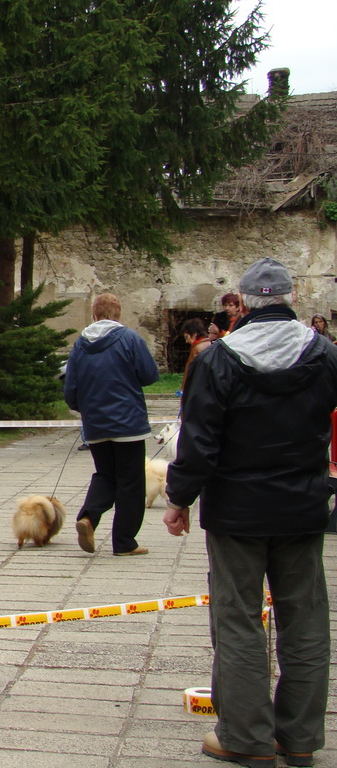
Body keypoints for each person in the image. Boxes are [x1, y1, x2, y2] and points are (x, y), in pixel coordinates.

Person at [165, 258, 337, 768]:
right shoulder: (325, 354)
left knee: (238, 621)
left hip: (237, 510)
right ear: (291, 297)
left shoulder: (219, 359)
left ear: (242, 301)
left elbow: (198, 441)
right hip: (302, 506)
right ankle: (299, 737)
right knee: (305, 621)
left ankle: (245, 736)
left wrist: (180, 499)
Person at [64, 293, 158, 556]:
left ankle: (89, 517)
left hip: (95, 424)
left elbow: (70, 386)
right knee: (131, 481)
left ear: (94, 314)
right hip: (128, 423)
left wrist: (82, 408)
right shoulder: (129, 339)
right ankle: (124, 542)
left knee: (105, 474)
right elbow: (150, 375)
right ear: (118, 314)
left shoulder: (80, 345)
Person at [180, 317, 211, 395]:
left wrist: (184, 389)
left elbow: (191, 372)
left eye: (187, 337)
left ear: (194, 334)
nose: (186, 341)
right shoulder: (210, 344)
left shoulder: (197, 349)